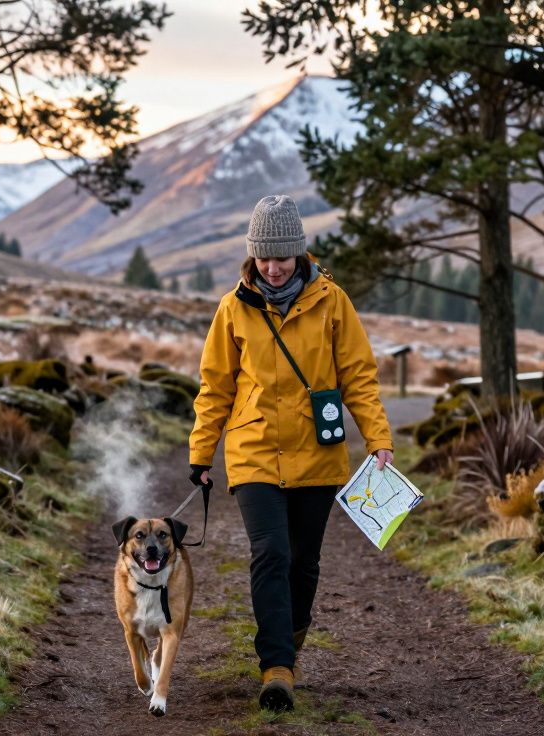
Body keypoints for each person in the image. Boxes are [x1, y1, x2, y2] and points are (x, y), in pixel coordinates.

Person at [188, 194, 393, 712]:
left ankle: (292, 637)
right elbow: (215, 386)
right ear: (252, 256)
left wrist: (379, 439)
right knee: (270, 554)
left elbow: (359, 378)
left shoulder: (333, 302)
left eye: (281, 258)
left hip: (317, 456)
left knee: (304, 562)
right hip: (254, 451)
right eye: (264, 258)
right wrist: (201, 453)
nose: (273, 269)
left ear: (299, 254)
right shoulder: (233, 307)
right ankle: (276, 667)